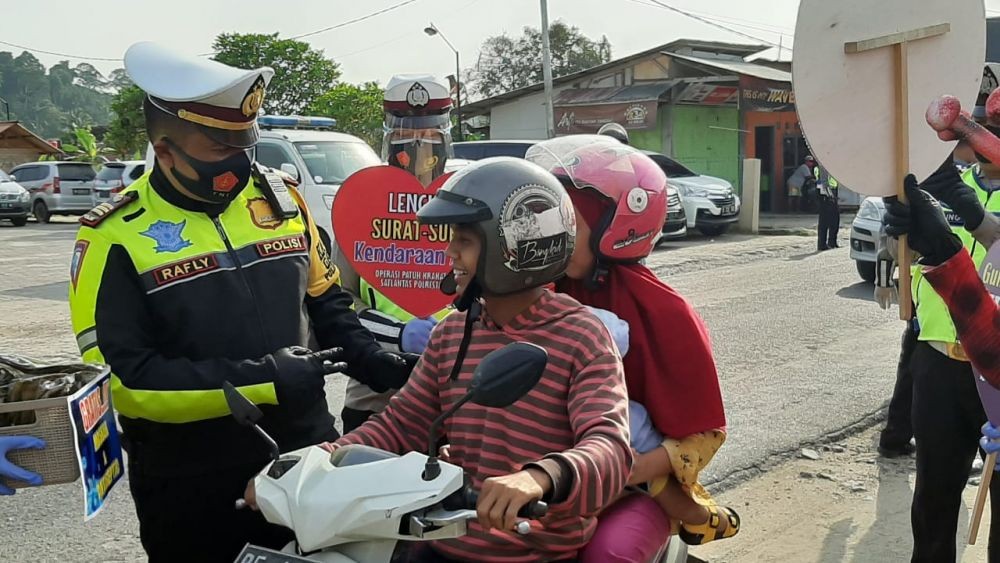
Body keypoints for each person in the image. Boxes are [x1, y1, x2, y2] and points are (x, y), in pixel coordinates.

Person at [67, 42, 414, 562]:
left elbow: (324, 299)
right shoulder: (113, 237)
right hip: (193, 479)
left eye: (245, 143)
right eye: (219, 148)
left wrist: (372, 358)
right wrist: (263, 378)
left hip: (307, 453)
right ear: (164, 151)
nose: (240, 161)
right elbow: (125, 380)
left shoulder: (281, 198)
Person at [249, 157, 633, 561]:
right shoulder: (454, 334)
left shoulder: (581, 337)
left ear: (515, 247)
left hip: (532, 551)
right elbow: (402, 424)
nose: (449, 252)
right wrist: (320, 460)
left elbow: (609, 448)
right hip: (444, 541)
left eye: (465, 241)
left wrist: (540, 477)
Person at [525, 137, 738, 558]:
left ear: (615, 229)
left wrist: (632, 469)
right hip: (541, 475)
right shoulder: (530, 290)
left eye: (569, 227)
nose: (553, 238)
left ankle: (691, 512)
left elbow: (705, 433)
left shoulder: (665, 313)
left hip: (631, 488)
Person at [337, 74, 455, 432]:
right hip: (376, 378)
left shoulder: (464, 197)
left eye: (430, 135)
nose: (418, 146)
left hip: (455, 377)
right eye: (405, 135)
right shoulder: (360, 205)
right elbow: (338, 300)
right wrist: (396, 333)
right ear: (388, 138)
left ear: (446, 138)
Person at [814, 161, 841, 250]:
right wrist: (830, 196)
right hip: (825, 195)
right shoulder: (823, 166)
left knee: (834, 220)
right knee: (824, 222)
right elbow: (824, 183)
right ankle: (822, 244)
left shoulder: (830, 166)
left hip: (831, 193)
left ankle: (832, 242)